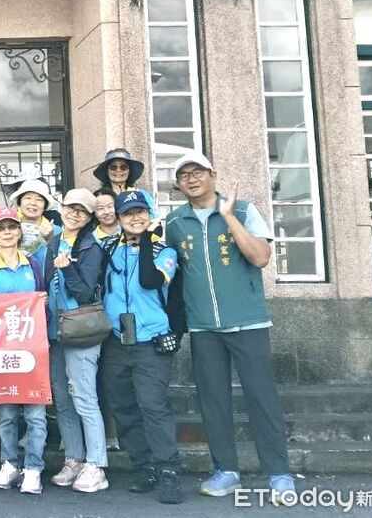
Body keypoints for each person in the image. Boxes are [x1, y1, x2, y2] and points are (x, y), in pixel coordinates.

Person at [165, 152, 295, 499]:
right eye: (184, 175)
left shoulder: (244, 209)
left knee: (261, 398)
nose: (191, 179)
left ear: (213, 175)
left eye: (198, 172)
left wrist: (228, 217)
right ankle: (226, 471)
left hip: (247, 321)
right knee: (213, 401)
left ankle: (279, 473)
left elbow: (261, 257)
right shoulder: (175, 221)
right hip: (203, 325)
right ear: (178, 184)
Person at [101, 191, 184, 505]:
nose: (135, 218)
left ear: (150, 215)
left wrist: (147, 239)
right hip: (116, 341)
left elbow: (150, 281)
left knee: (153, 406)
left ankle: (169, 471)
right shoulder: (110, 249)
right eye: (128, 213)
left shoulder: (165, 251)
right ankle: (143, 467)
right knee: (123, 407)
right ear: (119, 218)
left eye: (140, 212)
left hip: (151, 342)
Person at [0, 206, 48, 496]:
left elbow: (43, 300)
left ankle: (34, 468)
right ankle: (9, 463)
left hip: (33, 349)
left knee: (36, 415)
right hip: (2, 350)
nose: (7, 233)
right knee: (6, 414)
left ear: (19, 232)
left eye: (11, 227)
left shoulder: (33, 264)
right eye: (0, 229)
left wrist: (42, 303)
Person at [44, 188, 109, 493]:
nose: (74, 214)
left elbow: (84, 293)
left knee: (84, 396)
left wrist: (67, 267)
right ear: (62, 208)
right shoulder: (53, 241)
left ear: (89, 217)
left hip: (81, 329)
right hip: (55, 330)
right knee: (62, 397)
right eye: (71, 207)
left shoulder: (90, 247)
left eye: (81, 211)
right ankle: (74, 458)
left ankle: (96, 464)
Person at [93, 148, 159, 219]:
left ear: (129, 171)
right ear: (107, 171)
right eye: (113, 167)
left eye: (123, 167)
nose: (118, 170)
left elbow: (155, 218)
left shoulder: (142, 195)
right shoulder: (99, 197)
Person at [8, 178, 59, 264]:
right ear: (20, 202)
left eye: (39, 199)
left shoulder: (57, 231)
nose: (33, 203)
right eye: (28, 198)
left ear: (45, 205)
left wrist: (49, 239)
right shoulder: (8, 229)